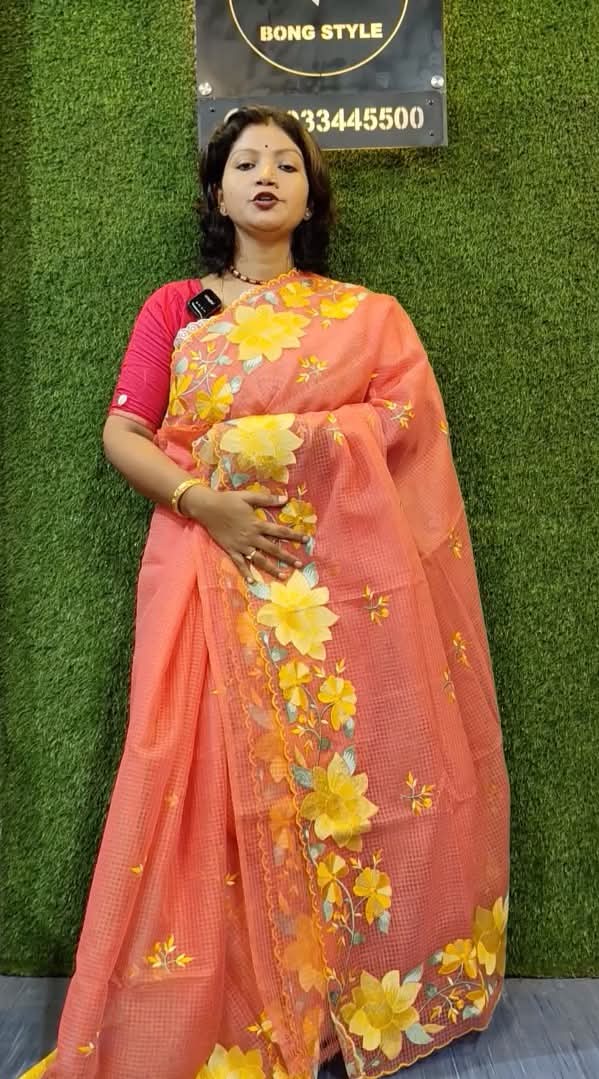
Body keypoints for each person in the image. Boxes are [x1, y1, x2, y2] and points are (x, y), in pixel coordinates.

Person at [21, 106, 510, 1079]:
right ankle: (234, 995)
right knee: (196, 769)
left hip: (337, 596)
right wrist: (207, 500)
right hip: (204, 572)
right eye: (246, 161)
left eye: (287, 163)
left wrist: (268, 446)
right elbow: (125, 433)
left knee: (342, 777)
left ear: (310, 198)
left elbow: (403, 423)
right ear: (217, 191)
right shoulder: (176, 308)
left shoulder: (366, 316)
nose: (266, 175)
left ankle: (334, 993)